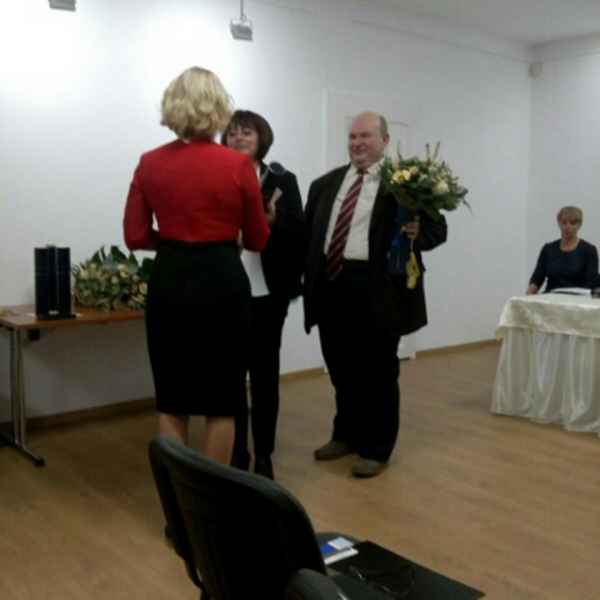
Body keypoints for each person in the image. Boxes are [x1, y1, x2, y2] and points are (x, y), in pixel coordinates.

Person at [123, 67, 269, 465]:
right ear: (218, 107)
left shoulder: (149, 163)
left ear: (172, 106)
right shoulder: (238, 166)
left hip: (170, 280)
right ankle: (212, 498)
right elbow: (257, 240)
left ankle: (177, 499)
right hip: (222, 282)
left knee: (172, 399)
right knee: (223, 401)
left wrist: (173, 240)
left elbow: (135, 236)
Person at [303, 111, 447, 478]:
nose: (357, 143)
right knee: (340, 368)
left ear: (385, 140)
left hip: (379, 289)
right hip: (332, 285)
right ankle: (346, 435)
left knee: (378, 373)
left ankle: (377, 448)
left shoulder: (406, 186)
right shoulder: (324, 185)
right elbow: (309, 236)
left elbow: (437, 231)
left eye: (365, 136)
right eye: (352, 137)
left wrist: (417, 233)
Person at [221, 110, 305, 479]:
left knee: (265, 377)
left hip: (269, 293)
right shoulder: (215, 176)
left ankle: (265, 455)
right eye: (233, 133)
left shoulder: (282, 179)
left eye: (247, 132)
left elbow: (298, 231)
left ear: (261, 138)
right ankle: (237, 451)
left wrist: (271, 223)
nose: (239, 138)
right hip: (226, 291)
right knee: (231, 378)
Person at [527, 206, 598, 294]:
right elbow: (537, 279)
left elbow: (592, 283)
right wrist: (526, 297)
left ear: (579, 225)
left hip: (577, 299)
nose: (567, 227)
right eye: (564, 222)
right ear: (559, 223)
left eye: (572, 223)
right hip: (550, 297)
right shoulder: (548, 249)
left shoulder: (589, 250)